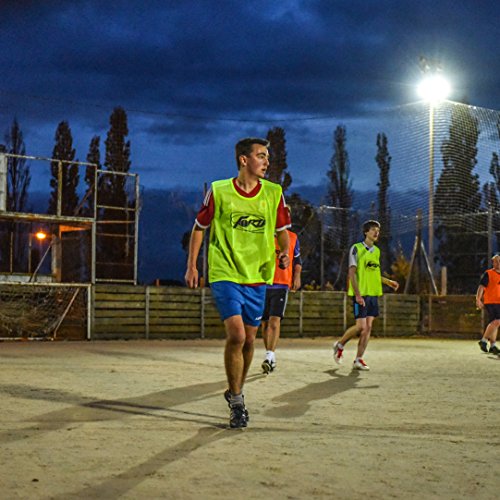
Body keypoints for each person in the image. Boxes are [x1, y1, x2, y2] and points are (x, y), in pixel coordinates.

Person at [184, 137, 291, 428]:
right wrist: (192, 265)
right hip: (225, 272)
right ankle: (239, 402)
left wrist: (283, 252)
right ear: (244, 160)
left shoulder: (274, 193)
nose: (267, 161)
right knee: (237, 335)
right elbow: (199, 229)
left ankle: (234, 393)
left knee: (250, 339)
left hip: (258, 275)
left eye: (268, 156)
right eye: (261, 156)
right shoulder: (219, 191)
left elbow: (283, 231)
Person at [333, 220, 399, 370]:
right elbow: (351, 273)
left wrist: (388, 282)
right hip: (360, 294)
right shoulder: (356, 249)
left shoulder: (376, 251)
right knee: (360, 326)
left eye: (378, 230)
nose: (376, 232)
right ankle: (340, 344)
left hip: (373, 294)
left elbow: (375, 274)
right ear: (366, 232)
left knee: (368, 327)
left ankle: (358, 359)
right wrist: (357, 294)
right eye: (373, 230)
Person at [261, 229, 302, 374]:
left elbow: (297, 260)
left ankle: (269, 355)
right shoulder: (263, 233)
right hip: (261, 283)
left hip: (281, 284)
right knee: (264, 322)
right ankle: (270, 355)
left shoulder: (292, 236)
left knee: (274, 320)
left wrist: (296, 277)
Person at [475, 254, 500, 355]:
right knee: (497, 321)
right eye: (496, 261)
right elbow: (481, 287)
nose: (498, 263)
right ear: (493, 263)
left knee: (495, 324)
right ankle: (484, 340)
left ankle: (493, 346)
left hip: (499, 302)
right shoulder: (488, 273)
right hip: (491, 301)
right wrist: (478, 299)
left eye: (499, 261)